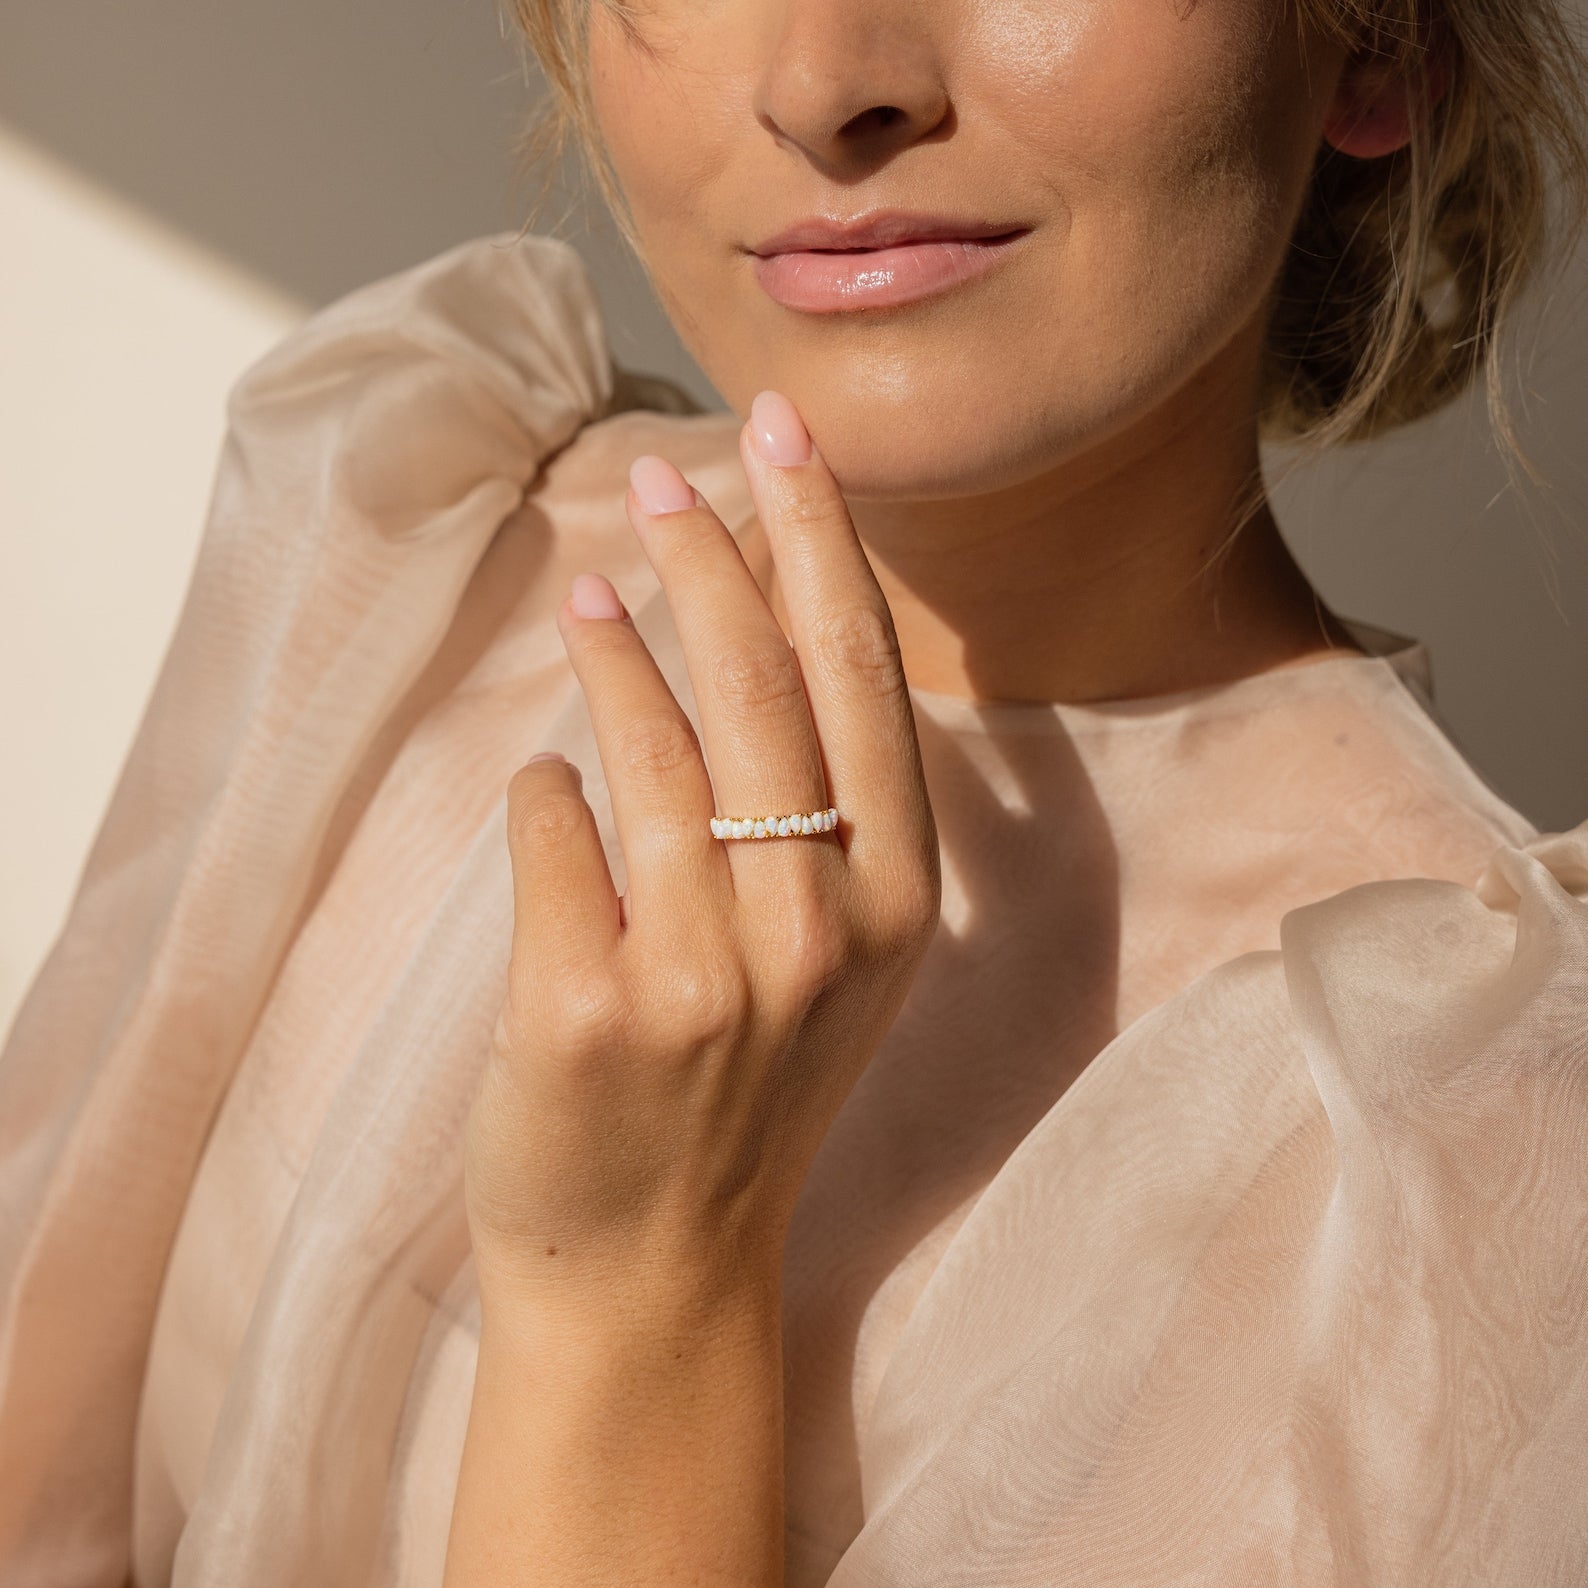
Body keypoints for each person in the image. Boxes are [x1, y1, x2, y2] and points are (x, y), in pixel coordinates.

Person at [2, 0, 1586, 1582]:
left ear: (1378, 49)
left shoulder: (1477, 1159)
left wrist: (637, 1290)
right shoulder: (411, 554)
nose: (830, 86)